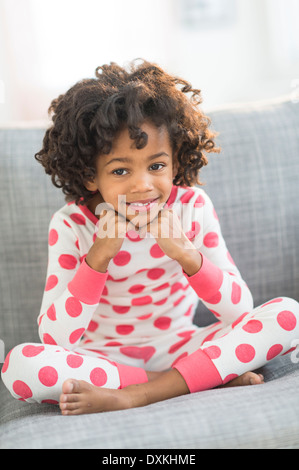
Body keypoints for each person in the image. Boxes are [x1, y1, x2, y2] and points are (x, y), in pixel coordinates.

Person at [2, 60, 299, 415]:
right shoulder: (70, 225)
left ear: (175, 162)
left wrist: (188, 255)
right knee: (19, 365)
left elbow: (239, 311)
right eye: (121, 170)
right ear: (90, 175)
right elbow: (55, 338)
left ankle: (137, 394)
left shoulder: (192, 206)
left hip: (183, 345)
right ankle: (193, 379)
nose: (142, 185)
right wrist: (97, 259)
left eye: (156, 166)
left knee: (288, 315)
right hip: (103, 359)